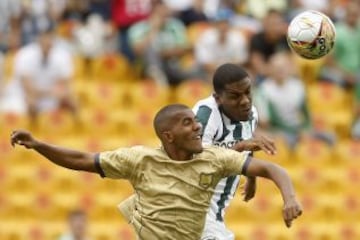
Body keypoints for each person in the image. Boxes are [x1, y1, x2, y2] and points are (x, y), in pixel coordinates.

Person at [11, 104, 302, 240]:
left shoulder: (214, 159)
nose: (198, 126)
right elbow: (82, 159)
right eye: (187, 123)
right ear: (169, 135)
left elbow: (271, 167)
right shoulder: (139, 160)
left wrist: (288, 197)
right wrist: (37, 144)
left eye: (196, 121)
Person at [192, 63, 276, 239]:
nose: (245, 100)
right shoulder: (205, 115)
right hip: (194, 211)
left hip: (215, 215)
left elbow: (246, 141)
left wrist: (251, 178)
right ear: (218, 98)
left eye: (247, 92)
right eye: (235, 96)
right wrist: (241, 147)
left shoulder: (250, 113)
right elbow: (197, 167)